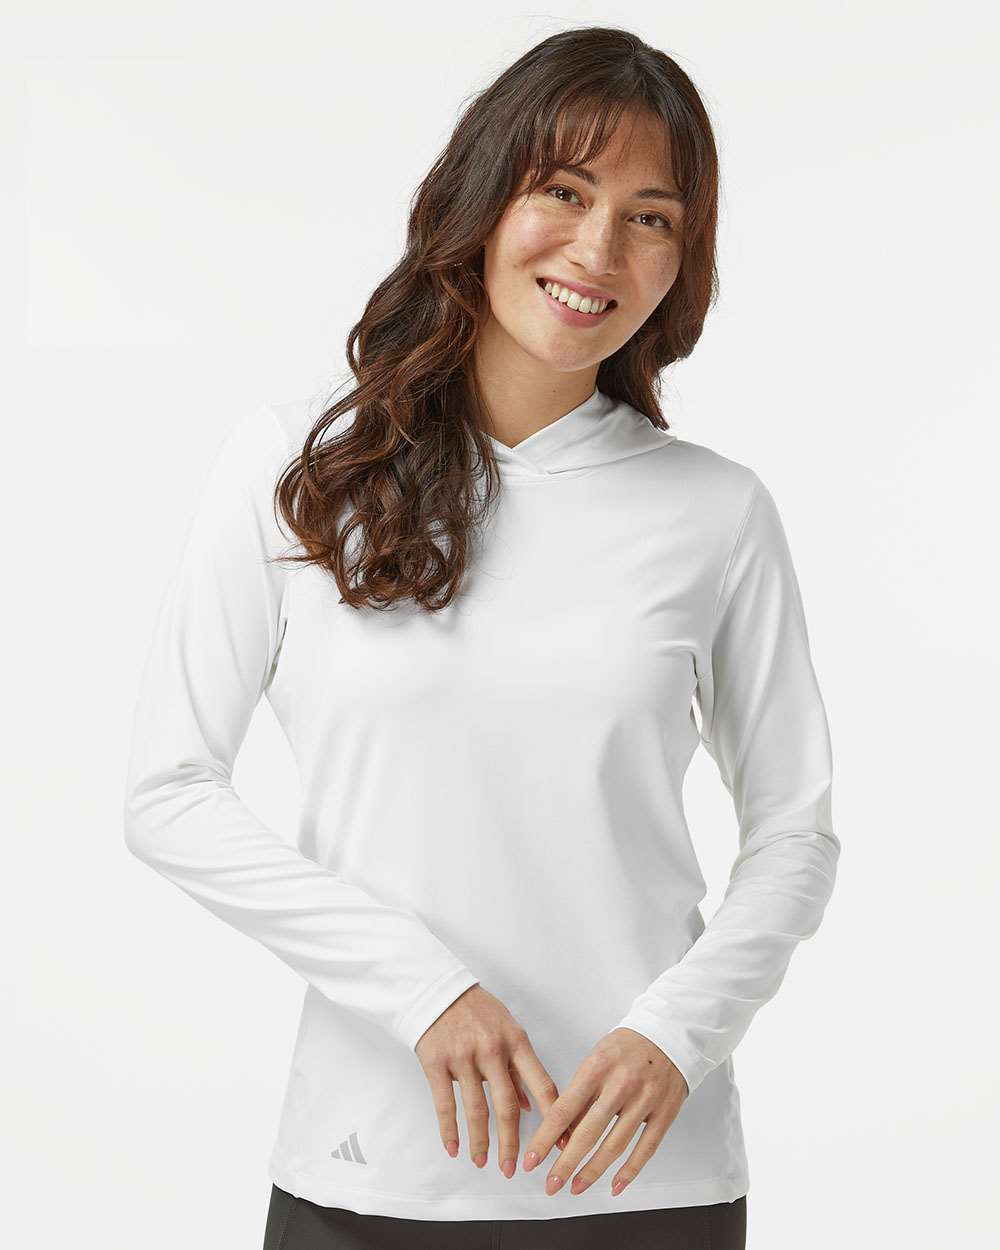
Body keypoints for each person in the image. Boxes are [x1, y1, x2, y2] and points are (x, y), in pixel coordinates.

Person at [123, 24, 838, 1250]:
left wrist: (678, 1032)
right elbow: (168, 792)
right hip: (368, 1168)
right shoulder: (297, 466)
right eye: (563, 191)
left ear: (683, 259)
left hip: (644, 1181)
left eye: (651, 217)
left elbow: (794, 832)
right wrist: (423, 988)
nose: (598, 249)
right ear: (482, 197)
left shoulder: (715, 512)